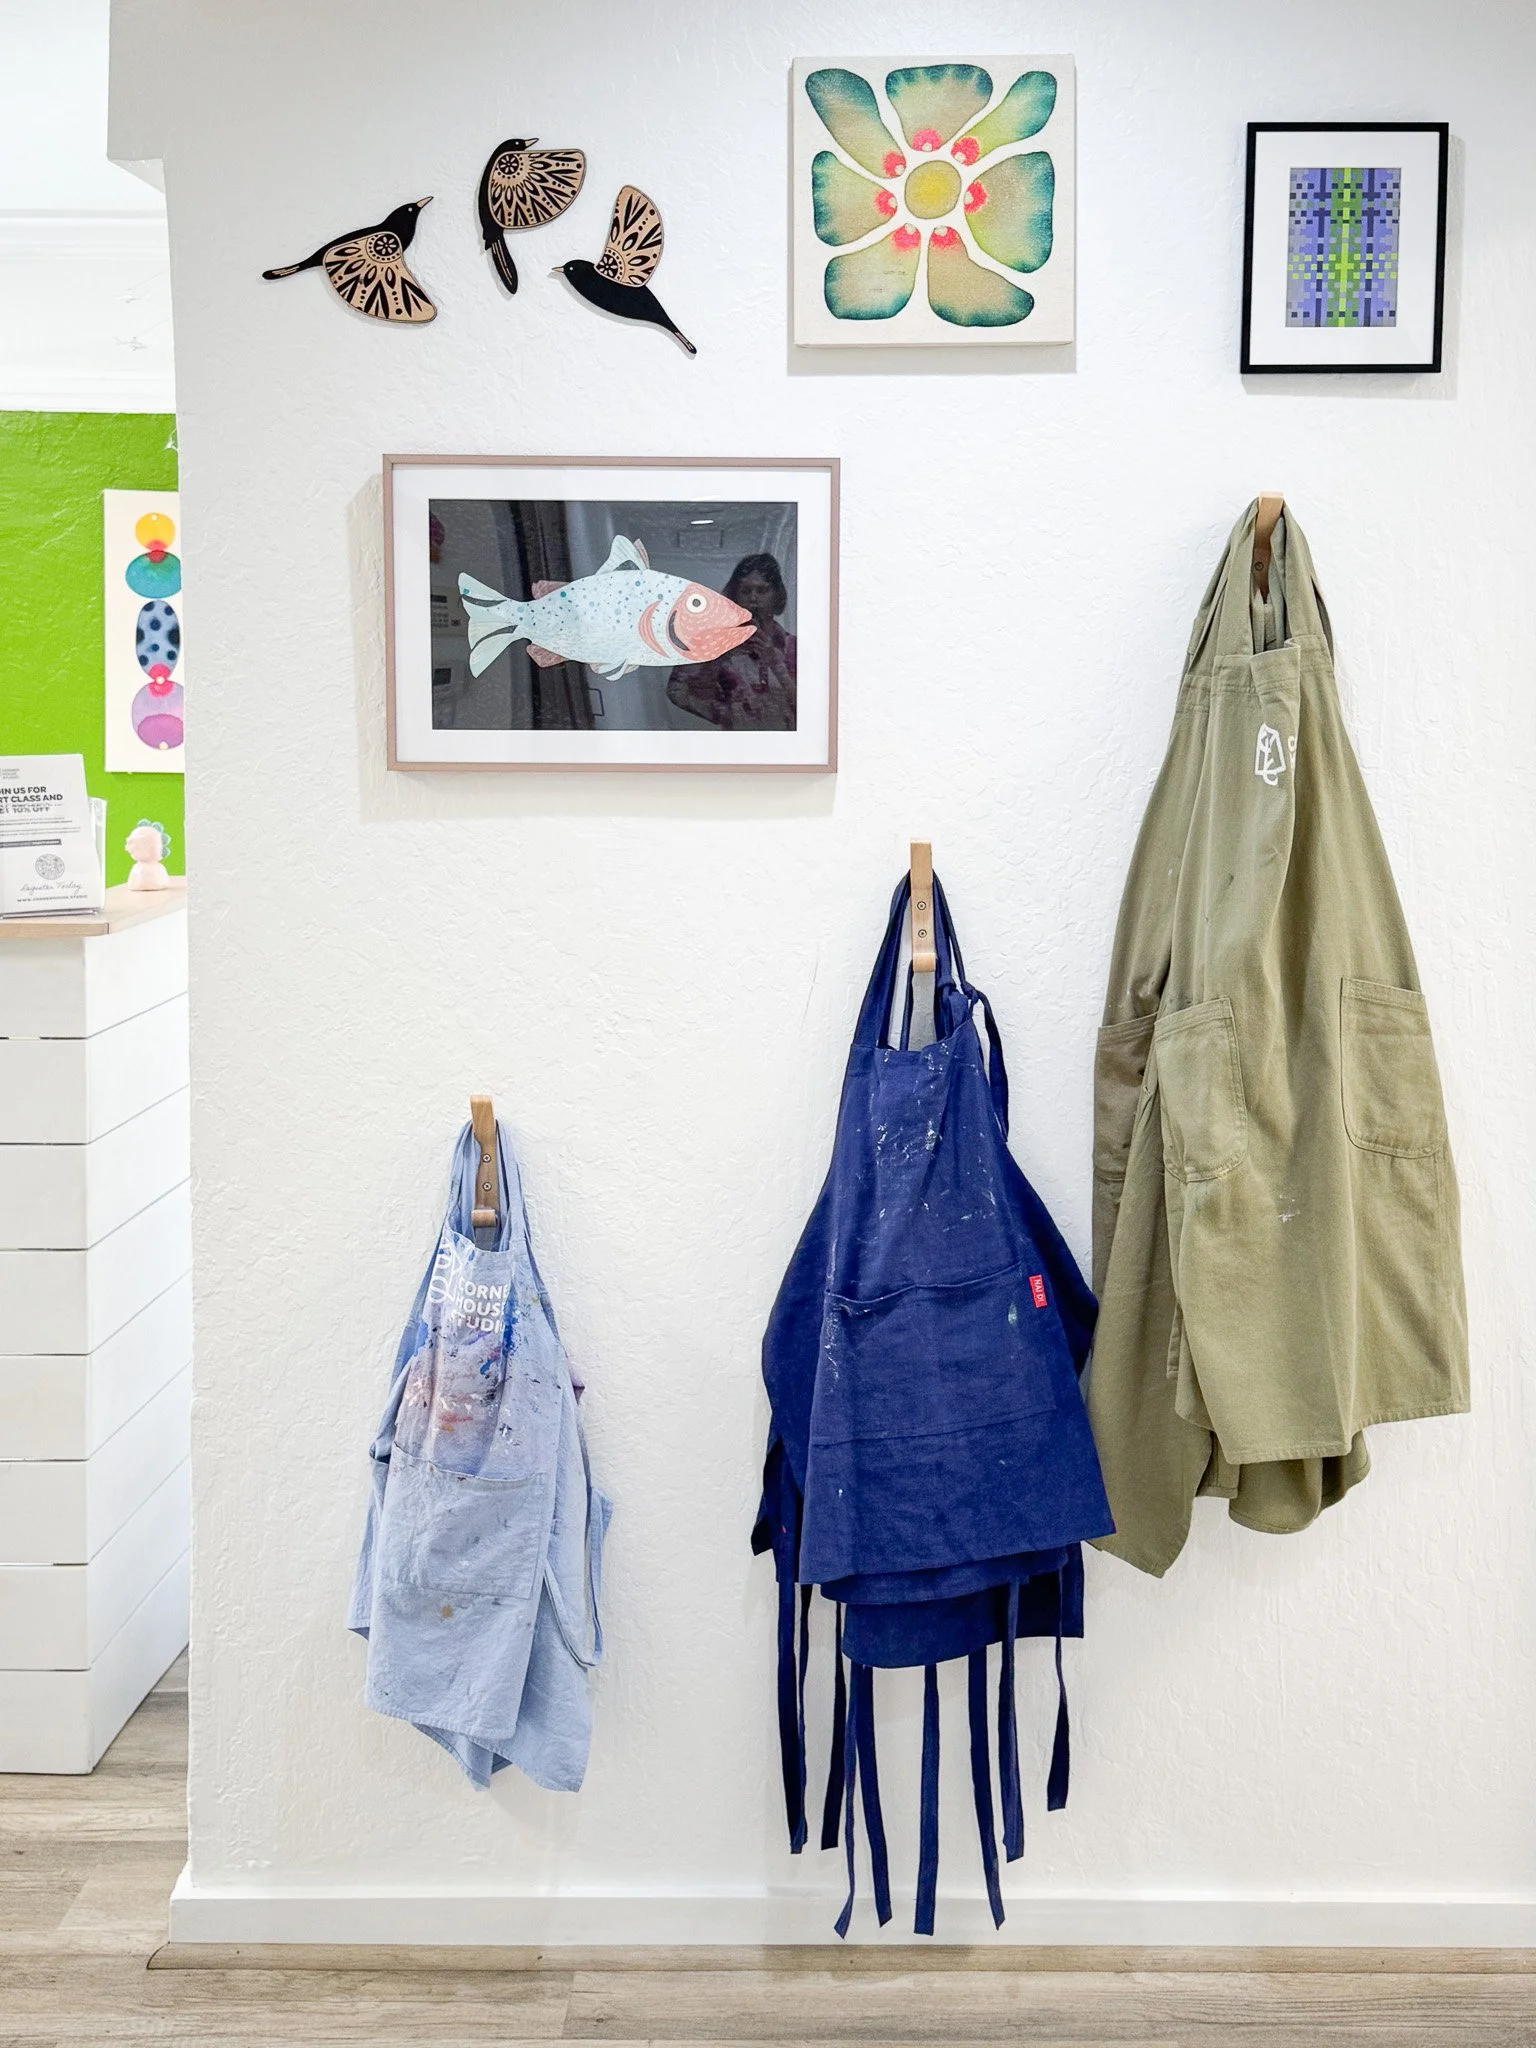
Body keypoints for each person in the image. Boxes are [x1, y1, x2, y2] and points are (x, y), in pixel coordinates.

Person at [667, 553, 796, 730]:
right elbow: (678, 690)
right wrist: (726, 715)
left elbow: (812, 707)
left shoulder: (792, 648)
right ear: (735, 596)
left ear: (776, 595)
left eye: (762, 590)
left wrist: (775, 663)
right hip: (736, 749)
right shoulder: (716, 643)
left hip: (789, 751)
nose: (753, 598)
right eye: (745, 591)